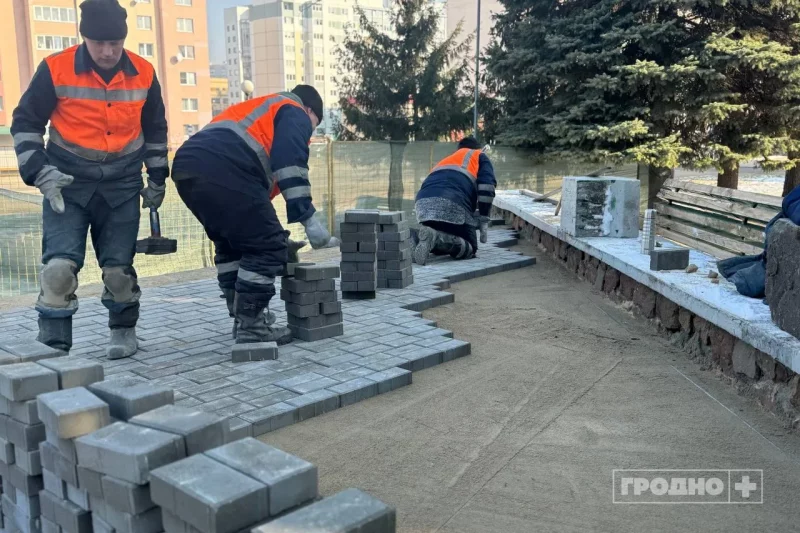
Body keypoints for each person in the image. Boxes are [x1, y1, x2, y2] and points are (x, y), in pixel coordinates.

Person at [11, 0, 169, 359]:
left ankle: (123, 331)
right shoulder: (55, 68)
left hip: (122, 184)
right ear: (84, 37)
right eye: (99, 43)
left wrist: (158, 178)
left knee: (118, 271)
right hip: (67, 184)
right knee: (58, 271)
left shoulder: (144, 72)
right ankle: (53, 347)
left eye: (115, 43)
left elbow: (155, 128)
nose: (108, 51)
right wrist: (41, 173)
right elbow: (25, 123)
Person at [171, 85, 338, 345]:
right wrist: (308, 220)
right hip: (223, 167)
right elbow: (290, 164)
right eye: (313, 125)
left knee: (232, 243)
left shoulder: (261, 109)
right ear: (309, 110)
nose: (310, 131)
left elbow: (253, 206)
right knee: (267, 247)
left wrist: (275, 234)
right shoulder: (293, 110)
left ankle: (241, 316)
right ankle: (251, 326)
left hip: (188, 167)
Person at [412, 137, 497, 265]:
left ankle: (415, 237)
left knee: (442, 237)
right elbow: (487, 187)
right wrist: (484, 217)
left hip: (423, 204)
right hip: (453, 202)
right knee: (470, 248)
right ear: (478, 148)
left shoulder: (447, 160)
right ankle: (436, 238)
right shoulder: (479, 155)